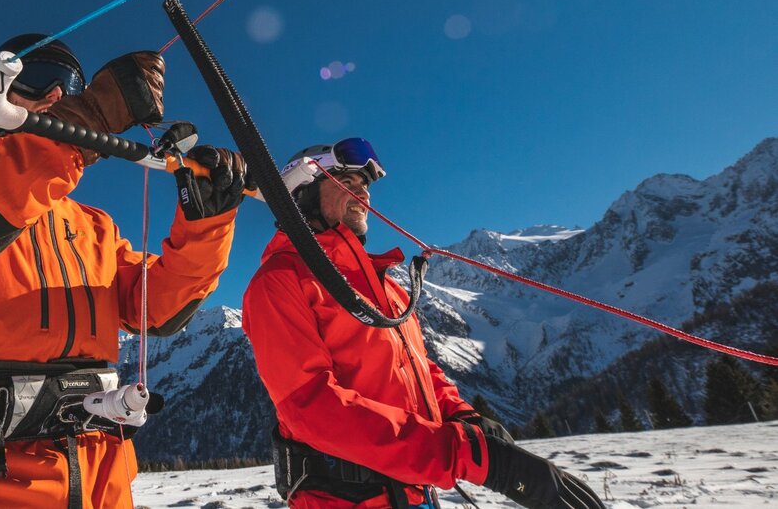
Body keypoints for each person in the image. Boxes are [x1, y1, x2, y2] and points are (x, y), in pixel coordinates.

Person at [0, 34, 247, 509]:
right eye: (38, 77)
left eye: (71, 87)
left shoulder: (92, 225)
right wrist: (89, 117)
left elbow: (159, 314)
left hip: (97, 473)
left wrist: (206, 224)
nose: (57, 95)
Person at [243, 139, 605, 509]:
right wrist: (462, 455)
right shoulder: (280, 281)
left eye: (364, 185)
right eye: (346, 183)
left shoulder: (385, 286)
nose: (362, 193)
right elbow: (310, 408)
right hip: (342, 499)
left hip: (414, 493)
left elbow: (415, 366)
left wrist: (462, 415)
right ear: (300, 196)